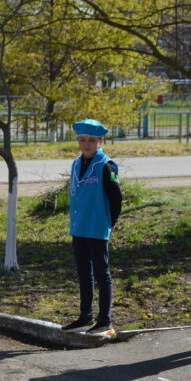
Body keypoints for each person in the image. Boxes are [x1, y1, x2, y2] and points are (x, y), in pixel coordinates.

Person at [61, 119, 122, 335]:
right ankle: (85, 316)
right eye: (82, 140)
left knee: (101, 273)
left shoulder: (106, 165)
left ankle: (105, 320)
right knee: (83, 272)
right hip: (79, 227)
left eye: (91, 140)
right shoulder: (76, 163)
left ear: (100, 141)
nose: (86, 144)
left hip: (97, 226)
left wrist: (110, 223)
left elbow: (116, 198)